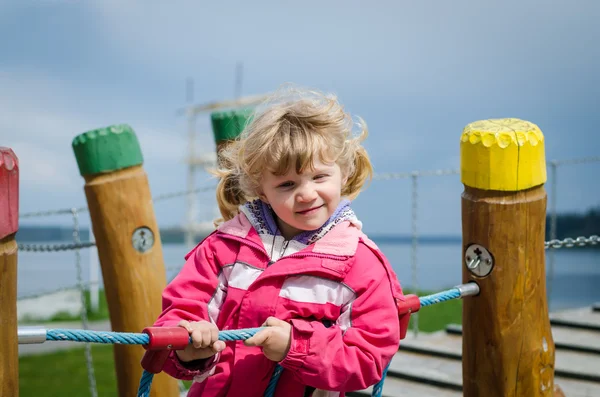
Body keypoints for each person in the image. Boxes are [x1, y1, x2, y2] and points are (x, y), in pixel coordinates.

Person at [153, 86, 406, 397]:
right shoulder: (223, 248)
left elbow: (370, 355)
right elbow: (181, 310)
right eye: (287, 184)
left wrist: (296, 346)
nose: (306, 193)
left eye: (320, 177)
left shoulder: (358, 263)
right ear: (262, 189)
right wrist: (187, 347)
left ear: (344, 172)